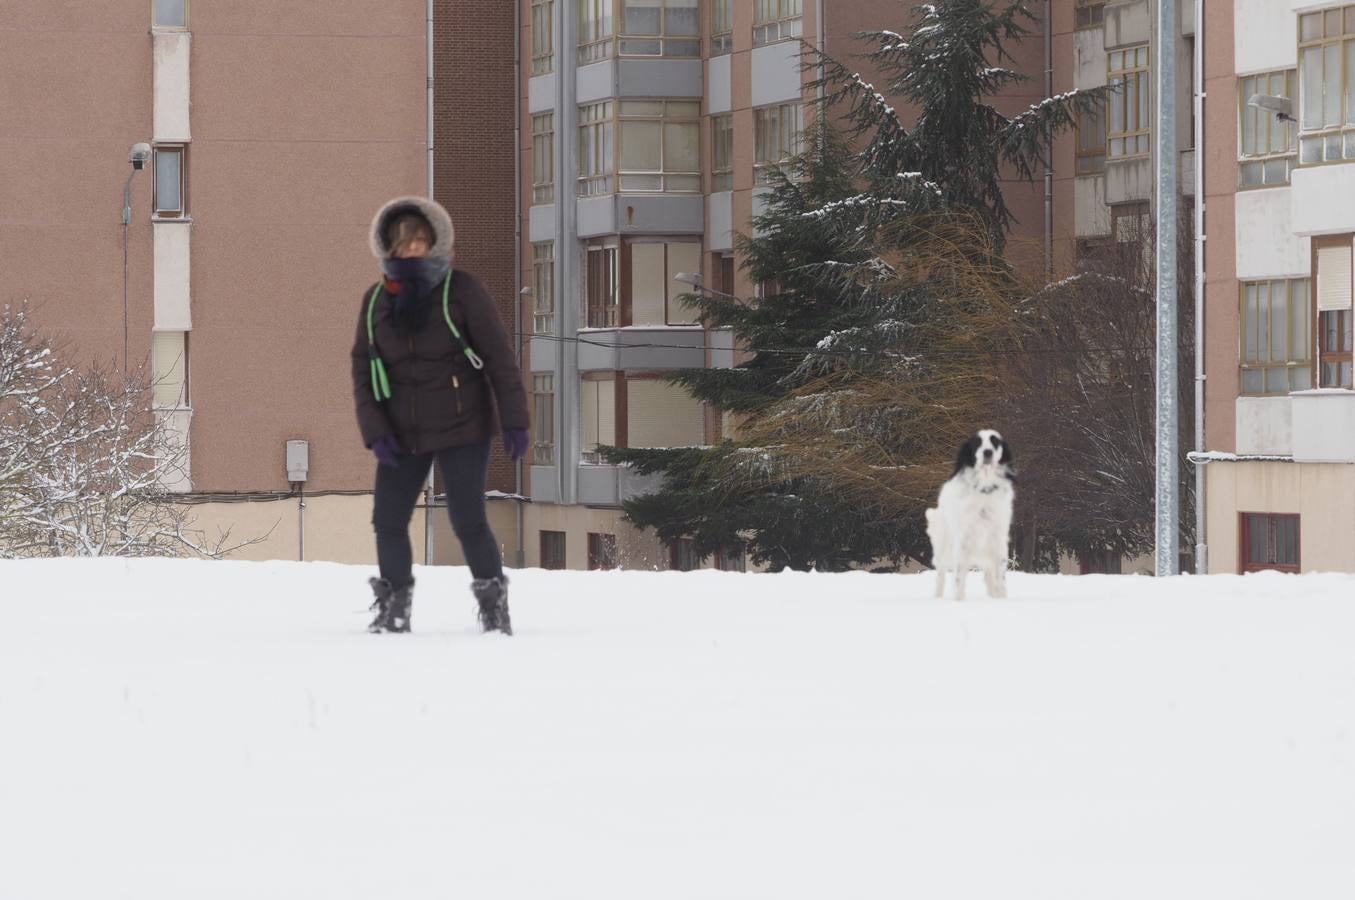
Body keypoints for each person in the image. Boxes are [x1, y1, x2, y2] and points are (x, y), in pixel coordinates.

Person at [351, 196, 529, 635]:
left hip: (462, 425)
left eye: (421, 242)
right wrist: (375, 432)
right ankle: (394, 606)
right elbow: (362, 370)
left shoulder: (461, 289)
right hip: (401, 432)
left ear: (436, 244)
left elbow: (500, 358)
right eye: (404, 243)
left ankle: (493, 607)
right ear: (388, 248)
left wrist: (515, 420)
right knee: (388, 520)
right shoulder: (376, 300)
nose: (413, 250)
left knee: (468, 520)